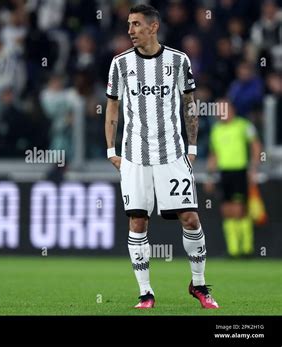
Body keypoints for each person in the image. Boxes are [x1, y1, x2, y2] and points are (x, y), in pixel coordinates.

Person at [104, 4, 219, 309]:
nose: (130, 30)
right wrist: (111, 150)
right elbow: (112, 108)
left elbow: (189, 105)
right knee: (138, 222)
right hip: (134, 157)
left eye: (136, 24)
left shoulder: (178, 60)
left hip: (172, 153)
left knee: (191, 218)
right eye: (129, 24)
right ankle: (145, 293)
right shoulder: (120, 64)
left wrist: (192, 148)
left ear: (153, 27)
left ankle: (199, 285)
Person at [205, 98, 262, 257]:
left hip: (239, 171)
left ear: (232, 109)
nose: (220, 113)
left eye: (223, 109)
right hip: (224, 173)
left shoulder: (243, 125)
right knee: (226, 210)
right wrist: (209, 176)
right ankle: (233, 250)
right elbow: (213, 154)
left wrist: (254, 167)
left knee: (239, 210)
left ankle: (246, 248)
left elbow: (256, 145)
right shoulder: (216, 129)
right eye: (217, 110)